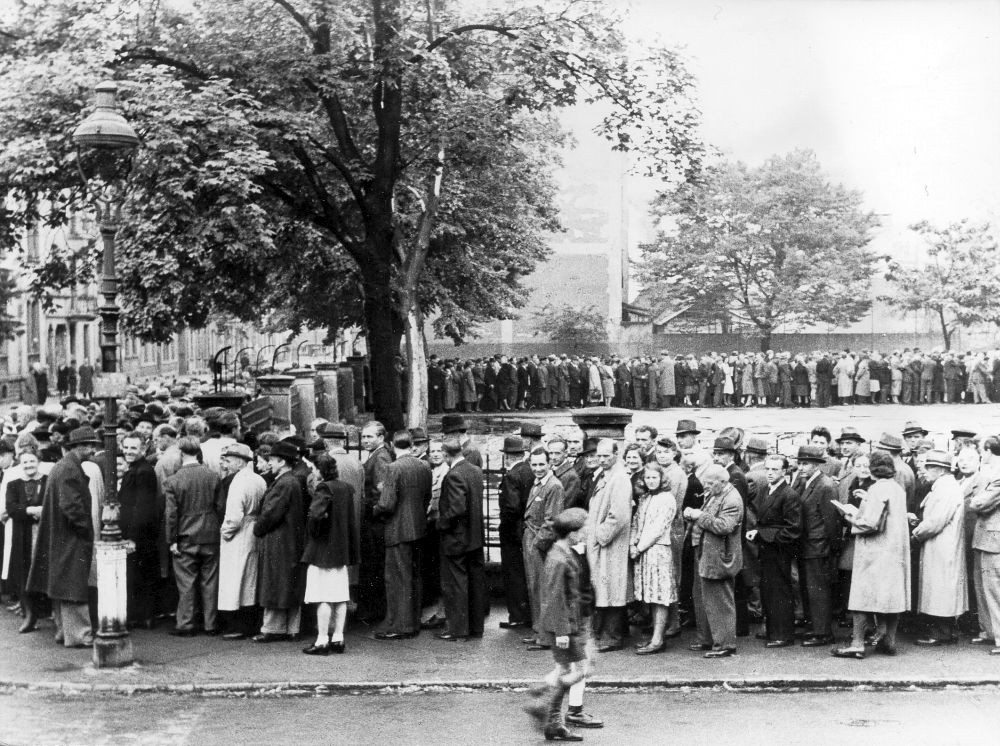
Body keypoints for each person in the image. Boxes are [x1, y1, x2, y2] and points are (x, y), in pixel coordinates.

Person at [25, 426, 102, 648]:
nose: (93, 450)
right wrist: (86, 529)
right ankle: (79, 635)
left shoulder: (63, 466)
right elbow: (71, 506)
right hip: (70, 537)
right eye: (90, 446)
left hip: (59, 536)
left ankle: (63, 631)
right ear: (80, 447)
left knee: (61, 585)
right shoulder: (70, 469)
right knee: (73, 585)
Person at [832, 451, 911, 659]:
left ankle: (857, 644)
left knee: (861, 597)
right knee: (891, 597)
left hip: (874, 551)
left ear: (874, 469)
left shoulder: (876, 489)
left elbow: (869, 523)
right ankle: (889, 641)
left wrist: (850, 515)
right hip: (894, 552)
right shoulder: (897, 488)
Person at [525, 507, 592, 742]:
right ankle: (542, 701)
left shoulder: (563, 551)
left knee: (567, 671)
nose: (586, 532)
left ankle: (553, 722)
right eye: (583, 529)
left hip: (568, 624)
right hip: (564, 626)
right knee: (582, 670)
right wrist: (562, 631)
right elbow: (554, 597)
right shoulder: (558, 557)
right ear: (572, 532)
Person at [373, 430, 431, 640]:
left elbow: (387, 503)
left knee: (397, 578)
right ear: (412, 444)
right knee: (414, 576)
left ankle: (400, 625)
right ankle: (412, 621)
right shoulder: (423, 466)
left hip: (397, 530)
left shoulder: (393, 468)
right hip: (418, 527)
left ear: (391, 444)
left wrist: (375, 509)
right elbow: (427, 496)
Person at [164, 436, 224, 636]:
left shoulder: (173, 481)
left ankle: (186, 624)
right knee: (210, 581)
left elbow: (171, 514)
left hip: (185, 535)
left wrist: (171, 540)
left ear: (181, 454)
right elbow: (220, 507)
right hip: (210, 533)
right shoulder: (213, 476)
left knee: (186, 583)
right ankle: (211, 624)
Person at [684, 463, 744, 658]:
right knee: (705, 599)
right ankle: (708, 639)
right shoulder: (718, 493)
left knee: (720, 602)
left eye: (710, 483)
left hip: (719, 558)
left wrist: (698, 515)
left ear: (723, 481)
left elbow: (724, 526)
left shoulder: (732, 499)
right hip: (707, 554)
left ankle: (725, 645)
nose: (706, 487)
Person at [301, 455, 359, 654]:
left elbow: (315, 515)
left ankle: (322, 640)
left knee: (323, 595)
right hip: (341, 548)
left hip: (323, 548)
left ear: (319, 469)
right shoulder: (345, 487)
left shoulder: (323, 488)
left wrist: (315, 527)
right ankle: (338, 638)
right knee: (340, 596)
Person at [911, 450, 968, 645]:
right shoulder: (943, 486)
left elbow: (936, 521)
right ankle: (945, 631)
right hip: (942, 545)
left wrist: (916, 533)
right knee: (941, 588)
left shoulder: (946, 489)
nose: (923, 470)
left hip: (943, 547)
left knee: (940, 589)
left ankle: (940, 633)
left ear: (940, 469)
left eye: (928, 467)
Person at [253, 440, 306, 642]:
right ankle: (291, 628)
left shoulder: (284, 483)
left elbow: (270, 514)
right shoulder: (292, 480)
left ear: (282, 462)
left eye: (272, 461)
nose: (269, 465)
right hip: (290, 539)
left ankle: (273, 628)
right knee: (289, 582)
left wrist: (257, 529)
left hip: (279, 540)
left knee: (275, 582)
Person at [436, 437, 486, 641]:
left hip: (457, 538)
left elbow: (457, 508)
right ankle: (475, 627)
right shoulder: (475, 471)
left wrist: (441, 523)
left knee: (456, 584)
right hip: (474, 536)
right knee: (474, 582)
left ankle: (457, 629)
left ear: (447, 455)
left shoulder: (453, 475)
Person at [585, 439, 632, 653]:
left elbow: (619, 516)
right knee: (606, 587)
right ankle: (609, 633)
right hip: (602, 543)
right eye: (599, 455)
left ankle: (612, 636)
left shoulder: (620, 478)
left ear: (616, 454)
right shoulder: (606, 476)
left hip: (610, 544)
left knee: (612, 588)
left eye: (606, 456)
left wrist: (600, 536)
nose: (602, 459)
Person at [749, 454, 801, 647]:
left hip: (779, 551)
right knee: (769, 590)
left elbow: (793, 529)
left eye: (775, 470)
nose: (770, 473)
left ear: (784, 472)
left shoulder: (789, 494)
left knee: (780, 591)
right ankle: (773, 630)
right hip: (768, 550)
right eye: (768, 469)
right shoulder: (765, 490)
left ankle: (783, 634)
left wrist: (763, 534)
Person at [217, 443, 266, 640]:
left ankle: (237, 625)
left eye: (228, 461)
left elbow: (234, 516)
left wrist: (225, 532)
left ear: (239, 462)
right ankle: (250, 623)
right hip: (254, 529)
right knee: (250, 579)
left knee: (235, 579)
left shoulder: (238, 482)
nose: (225, 465)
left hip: (240, 532)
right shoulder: (259, 479)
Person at [795, 444, 841, 647]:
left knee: (818, 591)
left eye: (805, 464)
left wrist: (831, 547)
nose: (801, 467)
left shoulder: (825, 486)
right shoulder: (807, 482)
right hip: (809, 545)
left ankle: (823, 632)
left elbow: (831, 521)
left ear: (816, 465)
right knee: (810, 589)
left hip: (818, 546)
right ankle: (814, 628)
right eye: (800, 463)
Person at [630, 463, 676, 655]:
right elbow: (636, 523)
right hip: (643, 552)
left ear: (661, 479)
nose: (650, 481)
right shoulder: (645, 497)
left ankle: (658, 639)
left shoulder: (667, 499)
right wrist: (633, 543)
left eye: (654, 477)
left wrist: (639, 547)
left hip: (658, 551)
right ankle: (654, 637)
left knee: (659, 595)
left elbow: (658, 528)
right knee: (650, 596)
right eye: (647, 478)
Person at [522, 446, 565, 651]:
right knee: (534, 587)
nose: (538, 468)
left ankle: (546, 637)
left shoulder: (554, 486)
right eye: (534, 464)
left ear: (549, 464)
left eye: (542, 464)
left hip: (540, 543)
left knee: (543, 589)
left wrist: (537, 544)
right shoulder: (537, 483)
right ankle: (538, 630)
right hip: (531, 537)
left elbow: (552, 521)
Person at [119, 433, 162, 629]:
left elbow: (142, 506)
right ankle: (142, 615)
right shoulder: (137, 469)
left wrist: (132, 538)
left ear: (143, 450)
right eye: (126, 447)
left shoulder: (142, 471)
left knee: (140, 576)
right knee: (139, 575)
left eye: (133, 448)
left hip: (139, 534)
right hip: (137, 532)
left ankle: (144, 616)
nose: (128, 451)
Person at [4, 449, 47, 633]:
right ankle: (30, 615)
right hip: (23, 537)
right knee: (24, 575)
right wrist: (30, 511)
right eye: (25, 463)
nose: (29, 465)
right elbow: (12, 508)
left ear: (38, 461)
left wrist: (42, 510)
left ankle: (49, 614)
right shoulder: (14, 485)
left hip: (44, 534)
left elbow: (53, 503)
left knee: (45, 571)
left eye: (32, 461)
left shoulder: (47, 480)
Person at [965, 436, 1000, 654]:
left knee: (993, 590)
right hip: (985, 540)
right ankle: (988, 632)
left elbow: (978, 502)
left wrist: (978, 499)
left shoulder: (996, 477)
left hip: (993, 541)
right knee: (982, 589)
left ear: (988, 451)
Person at [498, 436, 533, 630]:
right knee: (524, 574)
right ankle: (526, 613)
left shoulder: (512, 475)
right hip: (525, 530)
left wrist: (505, 524)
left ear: (508, 457)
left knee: (514, 576)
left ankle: (517, 616)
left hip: (512, 533)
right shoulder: (529, 470)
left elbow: (511, 507)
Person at [359, 421, 392, 624]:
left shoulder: (380, 457)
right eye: (363, 437)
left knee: (374, 565)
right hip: (375, 519)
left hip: (376, 521)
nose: (365, 440)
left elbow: (382, 488)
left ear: (381, 438)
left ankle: (374, 611)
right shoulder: (377, 455)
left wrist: (373, 511)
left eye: (370, 437)